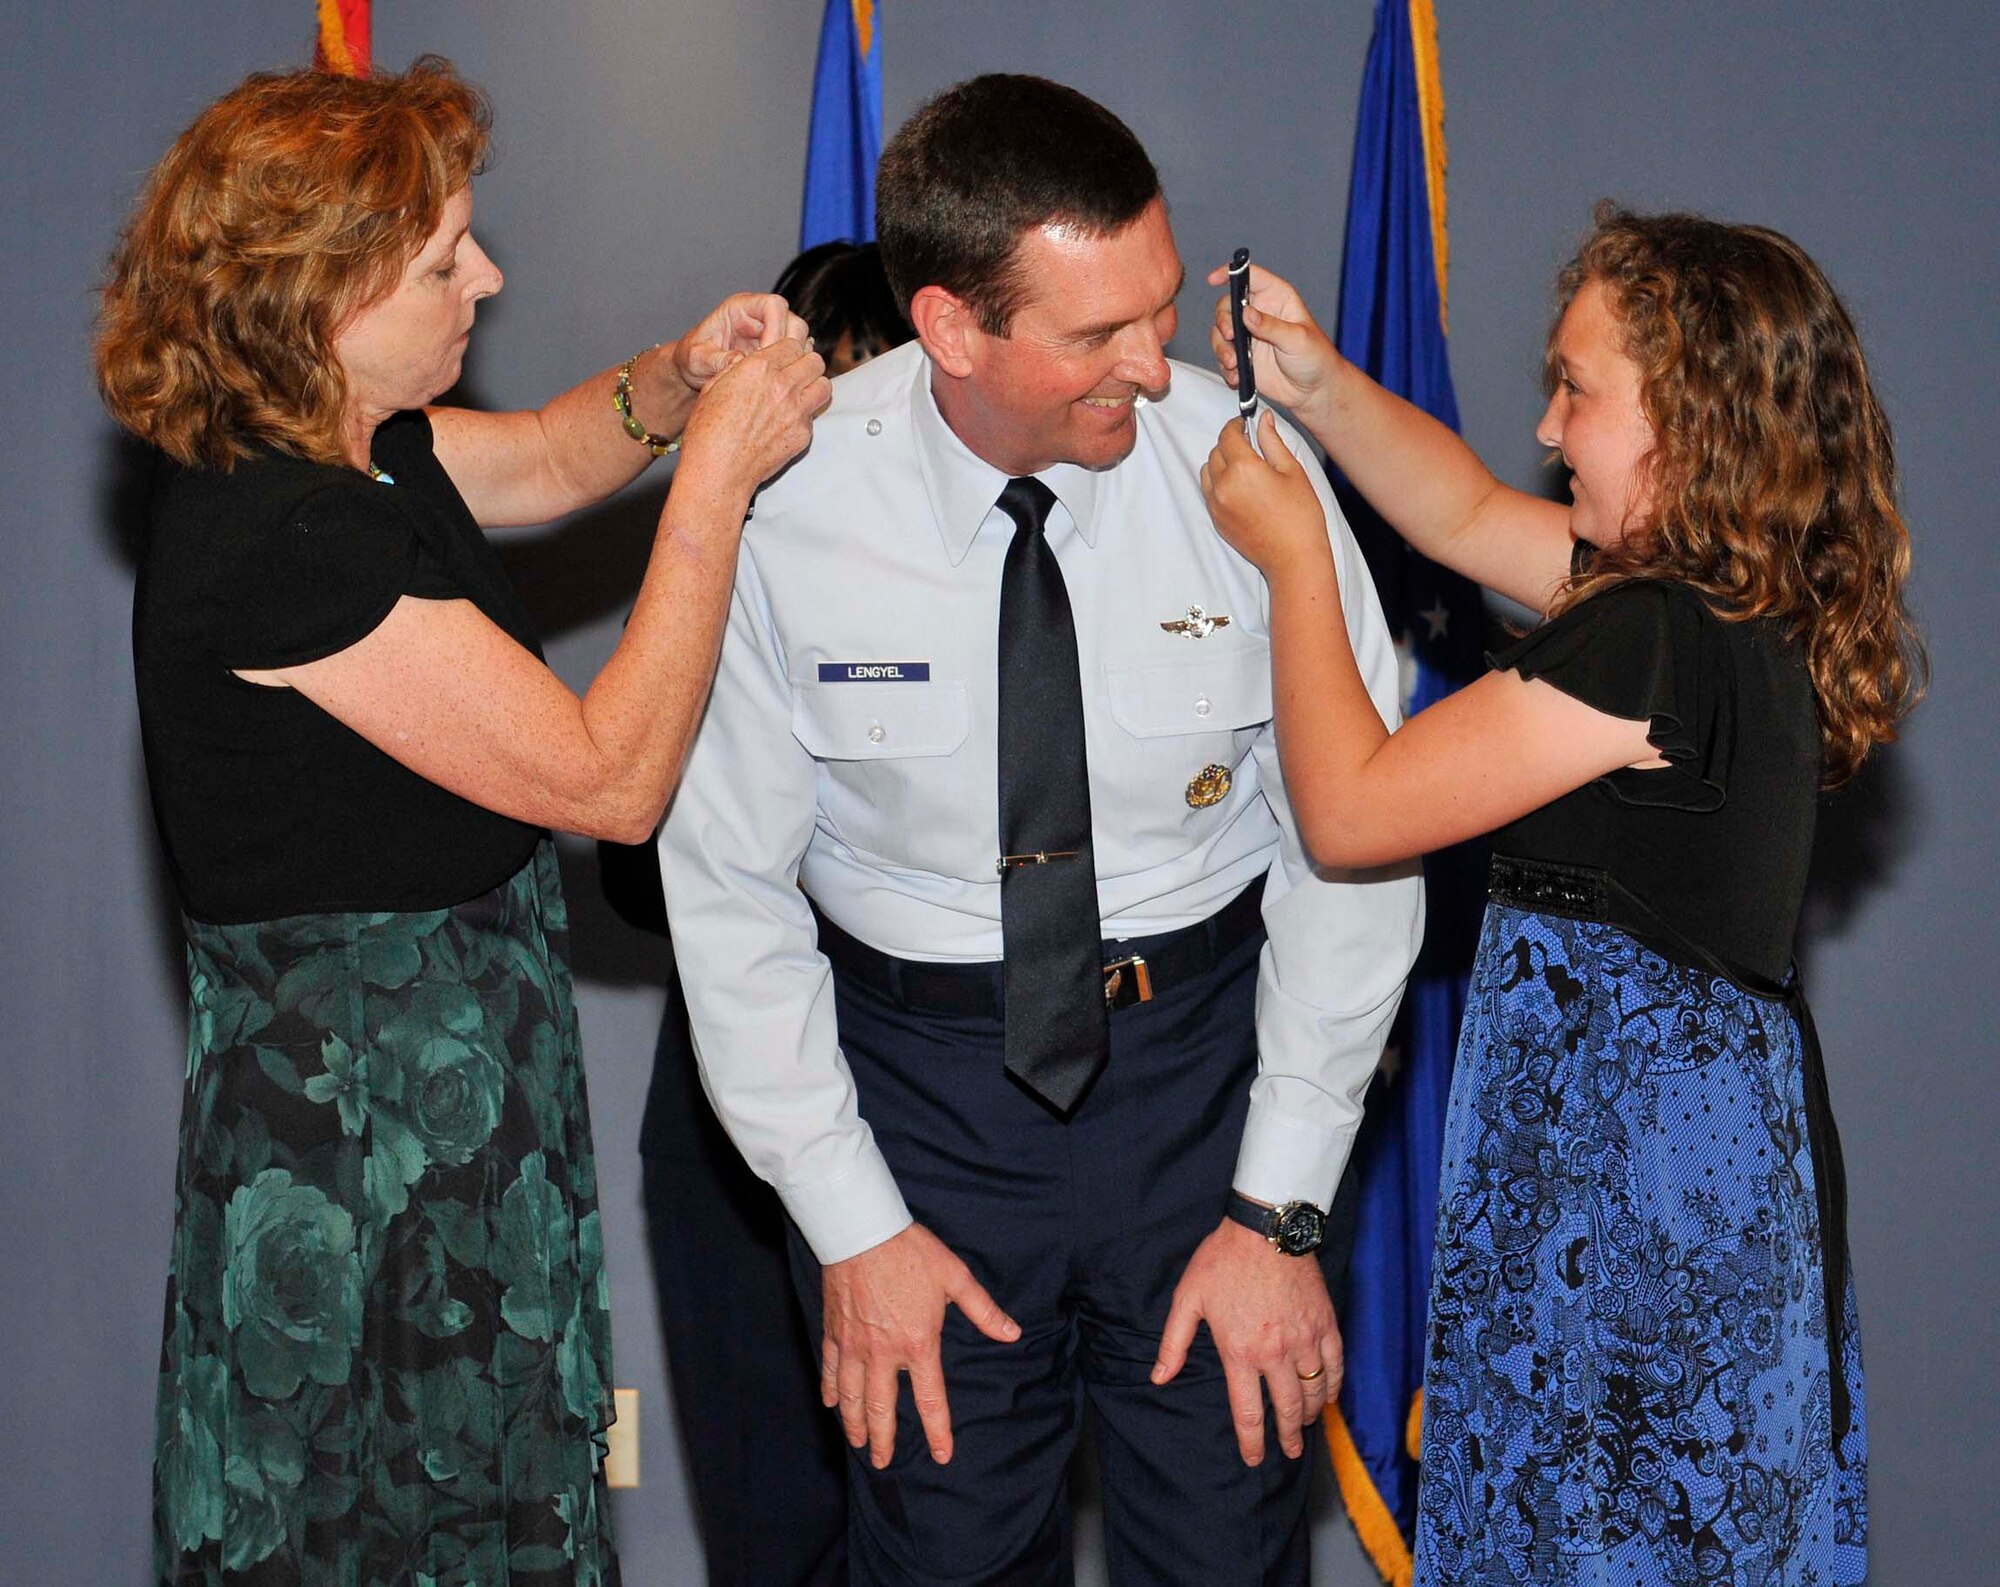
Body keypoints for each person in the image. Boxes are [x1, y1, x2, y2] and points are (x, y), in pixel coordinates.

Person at [658, 75, 1422, 1585]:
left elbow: (1359, 847)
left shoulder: (1248, 480)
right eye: (1096, 335)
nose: (1154, 366)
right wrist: (849, 1228)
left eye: (1157, 306)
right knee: (941, 1563)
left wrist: (1279, 1209)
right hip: (920, 1112)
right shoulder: (786, 503)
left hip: (1206, 1089)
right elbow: (727, 894)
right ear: (949, 328)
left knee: (1223, 1555)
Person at [96, 57, 827, 1585]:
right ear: (321, 301)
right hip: (360, 1154)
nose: (485, 278)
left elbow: (561, 455)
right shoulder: (282, 537)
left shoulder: (358, 453)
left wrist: (680, 377)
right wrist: (718, 482)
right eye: (443, 262)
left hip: (456, 1106)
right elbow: (607, 776)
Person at [1199, 207, 1921, 1586]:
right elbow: (1465, 514)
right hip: (1685, 1210)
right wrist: (1316, 383)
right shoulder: (1710, 606)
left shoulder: (1650, 638)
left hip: (1629, 1247)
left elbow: (1352, 812)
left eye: (1580, 390)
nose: (1548, 421)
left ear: (1693, 425)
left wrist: (1294, 557)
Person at [601, 240, 913, 1587]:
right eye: (814, 396)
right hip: (734, 1145)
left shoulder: (1010, 582)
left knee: (943, 1530)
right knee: (774, 1533)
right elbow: (629, 868)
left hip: (940, 1116)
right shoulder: (715, 564)